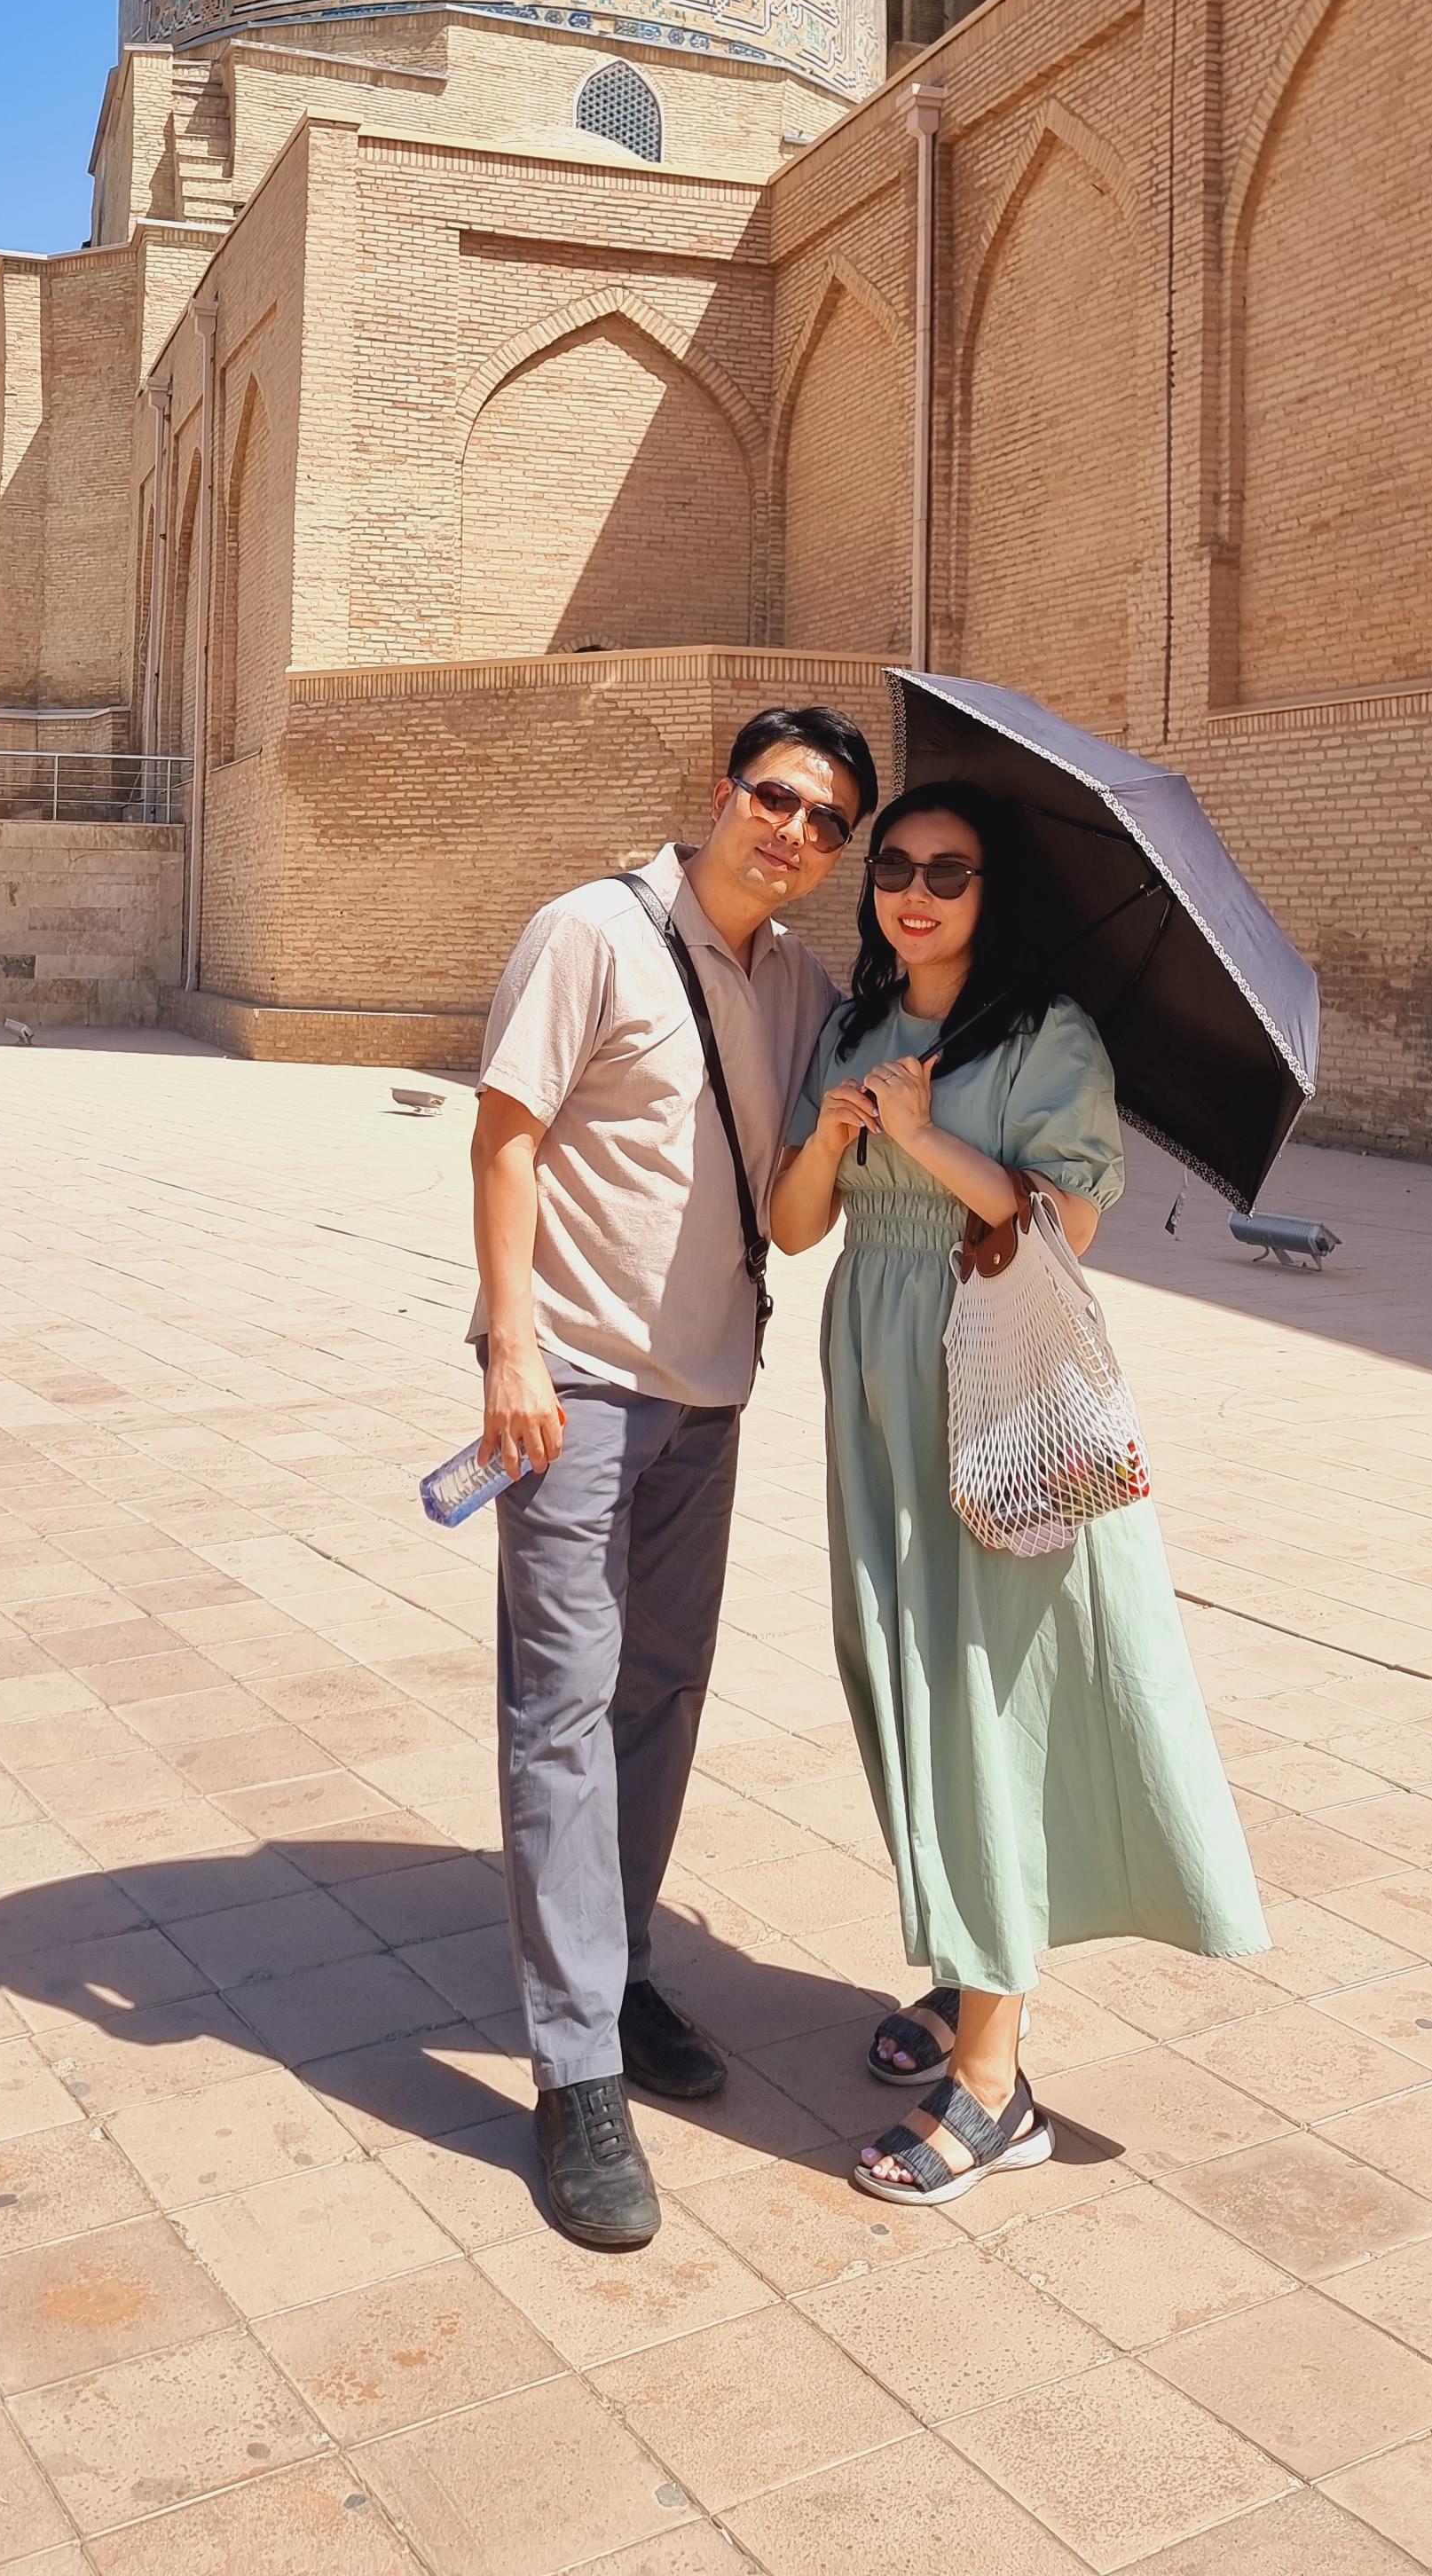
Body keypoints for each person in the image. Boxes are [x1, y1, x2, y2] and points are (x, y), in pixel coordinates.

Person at [769, 778, 1269, 2206]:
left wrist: (927, 1136)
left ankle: (994, 2082)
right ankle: (965, 1963)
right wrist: (834, 1137)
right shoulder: (853, 1029)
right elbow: (796, 1231)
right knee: (903, 1675)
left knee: (985, 1693)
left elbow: (1070, 1222)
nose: (915, 894)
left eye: (952, 872)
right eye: (895, 868)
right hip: (875, 1393)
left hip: (991, 1395)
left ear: (996, 896)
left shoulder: (1049, 1035)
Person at [470, 700, 877, 2249]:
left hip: (708, 1396)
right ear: (722, 791)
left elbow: (807, 1195)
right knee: (563, 1710)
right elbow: (505, 1138)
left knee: (659, 1697)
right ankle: (575, 2074)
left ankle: (620, 1966)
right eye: (777, 797)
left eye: (826, 823)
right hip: (573, 1387)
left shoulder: (802, 988)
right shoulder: (591, 932)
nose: (795, 832)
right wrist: (511, 1349)